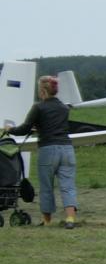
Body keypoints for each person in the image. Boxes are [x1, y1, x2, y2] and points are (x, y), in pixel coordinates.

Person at [13, 74, 78, 228]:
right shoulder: (64, 108)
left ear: (42, 90)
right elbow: (55, 125)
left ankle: (47, 220)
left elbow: (24, 128)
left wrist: (10, 129)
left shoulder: (38, 107)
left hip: (48, 150)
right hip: (67, 149)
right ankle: (70, 219)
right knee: (68, 186)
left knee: (46, 186)